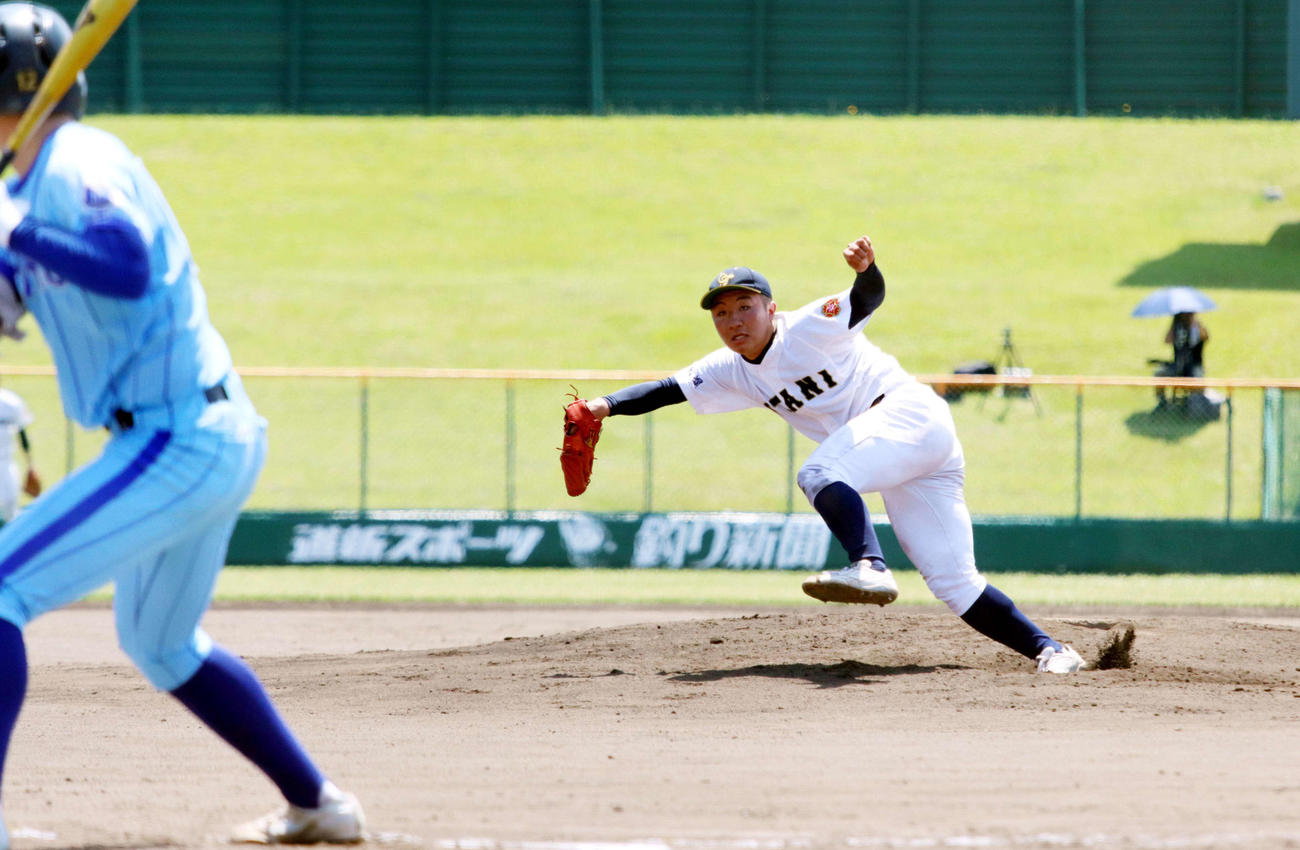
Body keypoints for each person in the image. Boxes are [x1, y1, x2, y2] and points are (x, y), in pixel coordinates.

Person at [0, 4, 364, 845]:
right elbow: (20, 294)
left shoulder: (76, 156)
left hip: (179, 437)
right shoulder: (25, 186)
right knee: (161, 644)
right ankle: (321, 807)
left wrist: (14, 228)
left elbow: (123, 265)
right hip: (194, 434)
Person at [572, 233, 1084, 675]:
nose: (733, 320)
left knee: (818, 471)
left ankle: (868, 564)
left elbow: (867, 298)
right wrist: (602, 407)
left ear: (771, 308)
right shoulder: (730, 368)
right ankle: (1052, 650)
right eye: (721, 312)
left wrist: (868, 269)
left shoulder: (809, 326)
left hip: (908, 415)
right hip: (895, 455)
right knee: (953, 581)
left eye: (744, 306)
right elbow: (669, 388)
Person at [1153, 311, 1209, 408]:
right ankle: (1162, 403)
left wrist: (1194, 323)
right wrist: (1173, 324)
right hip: (1178, 365)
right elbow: (1167, 340)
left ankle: (1194, 405)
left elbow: (1206, 337)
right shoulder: (1176, 327)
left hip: (1194, 366)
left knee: (1198, 380)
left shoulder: (1197, 327)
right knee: (1159, 374)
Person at [0, 386, 39, 523]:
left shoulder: (10, 402)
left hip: (5, 461)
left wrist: (30, 464)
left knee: (10, 502)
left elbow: (22, 434)